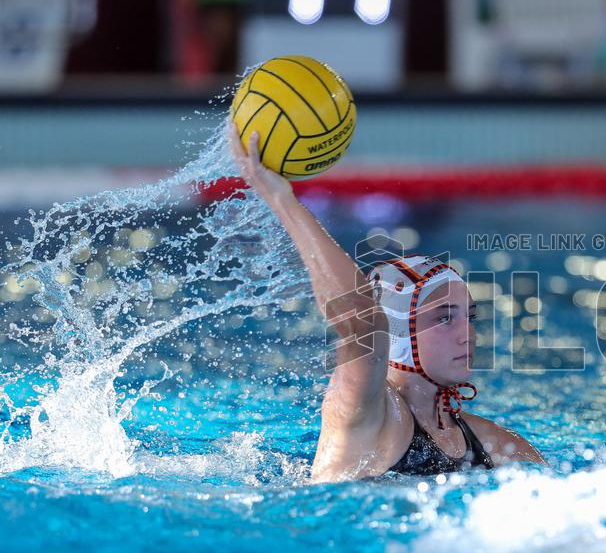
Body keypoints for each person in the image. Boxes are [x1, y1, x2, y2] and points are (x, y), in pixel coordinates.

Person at [228, 123, 546, 482]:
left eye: (468, 316)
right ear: (396, 332)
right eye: (444, 318)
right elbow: (360, 318)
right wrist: (282, 200)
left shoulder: (488, 442)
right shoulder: (367, 413)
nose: (467, 334)